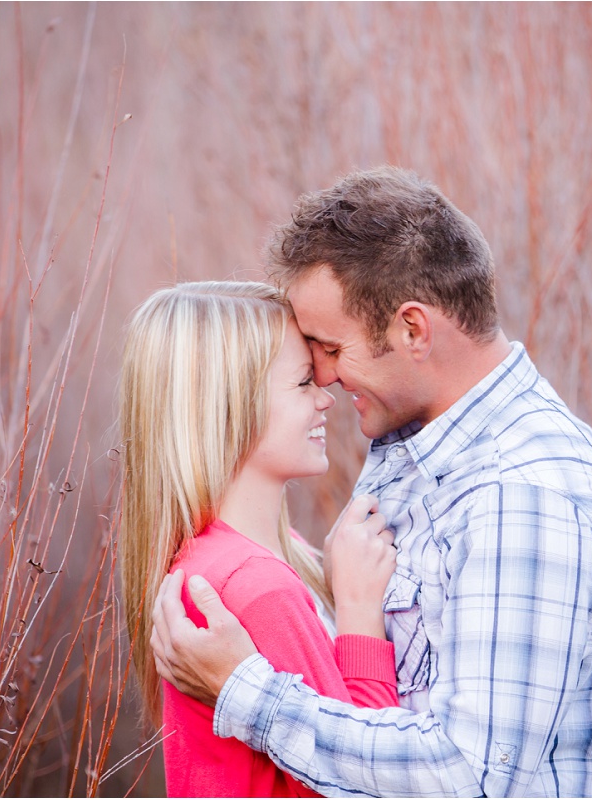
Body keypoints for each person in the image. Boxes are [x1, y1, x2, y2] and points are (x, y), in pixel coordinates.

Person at [151, 168, 592, 797]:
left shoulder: (522, 493)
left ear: (413, 329)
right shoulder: (412, 441)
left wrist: (246, 691)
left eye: (331, 348)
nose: (324, 376)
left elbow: (468, 779)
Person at [118, 281, 401, 797]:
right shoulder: (256, 587)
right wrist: (360, 614)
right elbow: (367, 778)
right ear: (227, 407)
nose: (326, 399)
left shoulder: (226, 558)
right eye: (300, 384)